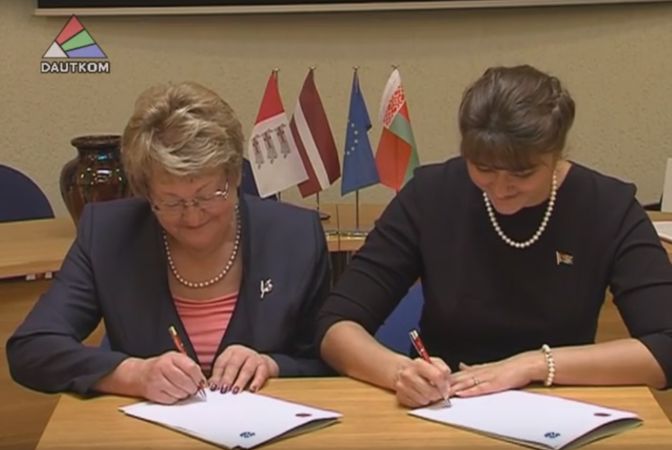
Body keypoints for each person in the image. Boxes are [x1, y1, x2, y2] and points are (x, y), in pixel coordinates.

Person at [318, 65, 672, 408]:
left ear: (555, 154)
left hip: (560, 406)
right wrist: (400, 373)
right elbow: (334, 325)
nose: (501, 189)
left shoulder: (606, 206)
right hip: (444, 407)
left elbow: (665, 346)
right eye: (483, 169)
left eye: (523, 173)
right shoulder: (431, 195)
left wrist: (533, 365)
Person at [7, 81, 331, 404]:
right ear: (146, 193)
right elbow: (32, 348)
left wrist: (272, 365)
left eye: (208, 195)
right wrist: (132, 374)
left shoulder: (296, 236)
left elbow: (326, 359)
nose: (193, 217)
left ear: (234, 177)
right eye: (171, 201)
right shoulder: (108, 234)